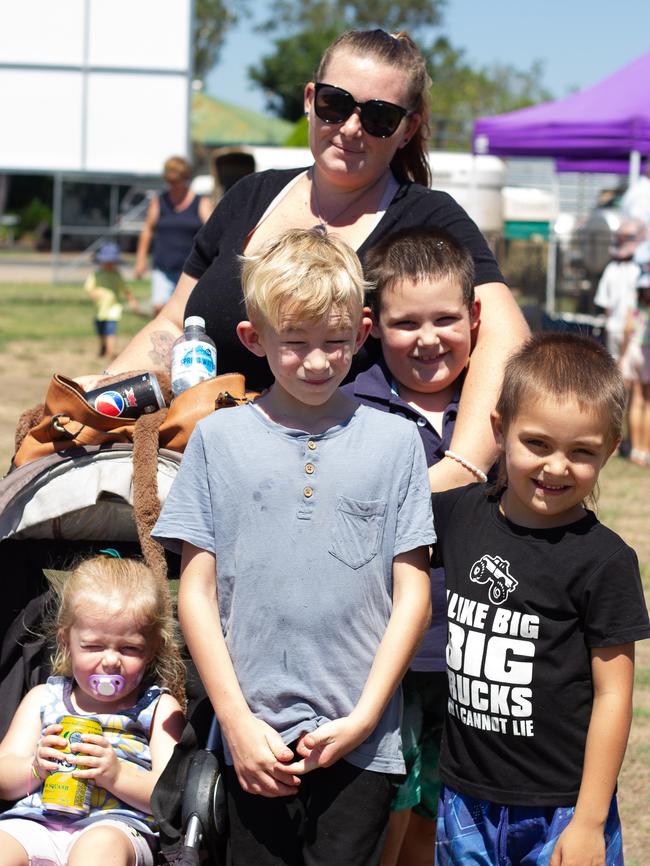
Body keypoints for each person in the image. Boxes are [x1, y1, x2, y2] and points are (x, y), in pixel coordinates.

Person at [94, 28, 529, 493]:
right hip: (203, 467)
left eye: (379, 116)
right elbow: (175, 324)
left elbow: (506, 335)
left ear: (408, 127)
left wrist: (458, 469)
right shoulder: (250, 196)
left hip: (341, 488)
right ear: (309, 98)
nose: (350, 128)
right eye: (335, 104)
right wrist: (99, 393)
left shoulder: (428, 218)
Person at [152, 227, 435, 866]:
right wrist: (237, 722)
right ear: (254, 339)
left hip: (361, 743)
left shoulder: (396, 444)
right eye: (295, 343)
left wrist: (366, 717)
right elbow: (194, 591)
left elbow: (411, 589)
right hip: (251, 742)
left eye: (335, 342)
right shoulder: (216, 440)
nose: (316, 361)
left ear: (362, 334)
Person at [430, 332, 650, 866]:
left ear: (610, 449)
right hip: (464, 801)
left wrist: (590, 821)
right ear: (500, 429)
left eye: (581, 453)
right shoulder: (454, 516)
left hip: (562, 811)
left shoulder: (606, 561)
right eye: (538, 444)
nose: (556, 467)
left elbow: (614, 696)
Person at [341, 226, 480, 866]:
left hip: (476, 660)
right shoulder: (348, 410)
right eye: (406, 324)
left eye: (446, 319)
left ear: (476, 317)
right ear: (373, 327)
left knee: (441, 812)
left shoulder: (500, 410)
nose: (428, 340)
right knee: (386, 809)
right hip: (385, 658)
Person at [0, 555, 186, 866]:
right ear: (66, 643)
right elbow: (4, 777)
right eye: (93, 646)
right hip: (35, 822)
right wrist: (35, 767)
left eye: (129, 649)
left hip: (116, 828)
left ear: (152, 649)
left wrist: (116, 776)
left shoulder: (157, 708)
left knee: (98, 847)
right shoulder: (43, 699)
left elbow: (172, 797)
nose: (111, 661)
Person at [134, 156, 212, 316]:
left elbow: (212, 231)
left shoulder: (201, 203)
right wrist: (140, 259)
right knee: (159, 308)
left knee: (187, 311)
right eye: (170, 182)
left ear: (186, 178)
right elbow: (148, 229)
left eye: (177, 182)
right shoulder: (159, 201)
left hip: (191, 268)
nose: (174, 186)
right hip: (163, 266)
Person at [593, 219, 645, 360]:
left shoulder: (640, 270)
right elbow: (606, 304)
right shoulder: (611, 269)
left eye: (629, 238)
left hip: (636, 333)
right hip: (614, 329)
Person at [620, 262, 650, 466]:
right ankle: (645, 450)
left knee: (636, 400)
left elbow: (627, 330)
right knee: (647, 403)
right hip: (647, 354)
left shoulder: (635, 307)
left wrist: (622, 356)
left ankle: (635, 449)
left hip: (633, 352)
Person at [84, 242, 136, 360]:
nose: (109, 265)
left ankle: (110, 352)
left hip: (113, 309)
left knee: (111, 332)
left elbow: (126, 289)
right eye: (106, 262)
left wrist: (132, 300)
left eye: (111, 262)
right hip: (99, 311)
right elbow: (89, 288)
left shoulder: (117, 275)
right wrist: (92, 294)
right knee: (101, 332)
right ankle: (103, 347)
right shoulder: (96, 275)